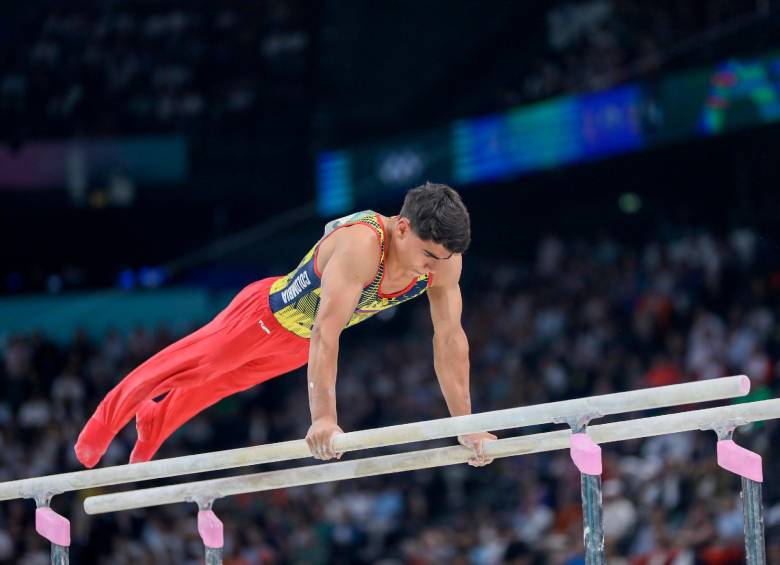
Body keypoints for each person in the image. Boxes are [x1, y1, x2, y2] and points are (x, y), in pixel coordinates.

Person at [74, 182, 496, 468]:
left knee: (218, 385)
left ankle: (155, 420)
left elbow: (449, 339)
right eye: (427, 255)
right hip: (263, 316)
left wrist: (464, 425)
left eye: (442, 260)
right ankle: (104, 421)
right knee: (192, 366)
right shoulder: (363, 245)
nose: (432, 269)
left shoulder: (444, 261)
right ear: (402, 228)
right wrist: (324, 418)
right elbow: (326, 331)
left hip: (296, 347)